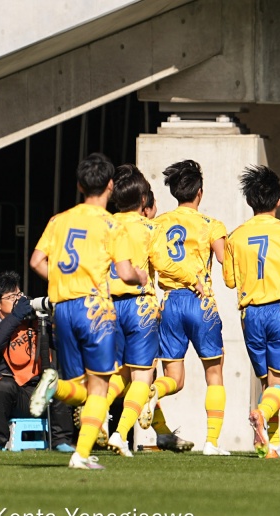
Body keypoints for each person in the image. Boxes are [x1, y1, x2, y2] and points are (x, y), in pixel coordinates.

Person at [29, 153, 147, 470]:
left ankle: (55, 386)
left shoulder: (59, 220)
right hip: (95, 308)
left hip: (63, 308)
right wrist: (141, 276)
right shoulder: (112, 225)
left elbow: (36, 261)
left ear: (80, 185)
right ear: (110, 185)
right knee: (99, 386)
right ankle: (80, 455)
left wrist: (64, 280)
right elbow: (124, 273)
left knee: (80, 389)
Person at [104, 164, 204, 457]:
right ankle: (120, 434)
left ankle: (100, 420)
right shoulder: (148, 229)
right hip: (139, 305)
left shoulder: (105, 227)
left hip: (108, 306)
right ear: (143, 201)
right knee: (143, 377)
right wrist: (192, 278)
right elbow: (164, 264)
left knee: (119, 374)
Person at [222, 165, 280, 458]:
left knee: (267, 381)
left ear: (250, 201)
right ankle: (262, 416)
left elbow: (229, 280)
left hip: (250, 314)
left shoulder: (235, 236)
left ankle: (269, 445)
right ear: (278, 201)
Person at [150, 159, 229, 456]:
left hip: (169, 302)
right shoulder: (211, 224)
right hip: (201, 302)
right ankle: (212, 443)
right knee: (215, 372)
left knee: (174, 378)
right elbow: (225, 262)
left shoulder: (157, 224)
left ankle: (153, 390)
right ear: (200, 193)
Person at [0, 272, 74, 452]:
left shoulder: (34, 318)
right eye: (12, 297)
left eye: (19, 294)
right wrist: (15, 317)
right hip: (9, 399)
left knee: (57, 384)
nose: (18, 300)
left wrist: (50, 318)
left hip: (38, 392)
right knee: (4, 386)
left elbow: (64, 344)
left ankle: (61, 441)